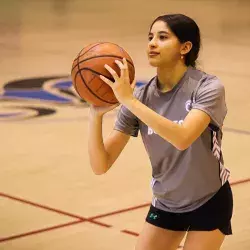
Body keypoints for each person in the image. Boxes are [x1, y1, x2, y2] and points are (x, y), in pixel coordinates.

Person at [88, 14, 233, 250]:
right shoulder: (140, 98)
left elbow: (183, 137)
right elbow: (100, 165)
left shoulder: (208, 87)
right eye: (150, 37)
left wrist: (129, 101)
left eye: (162, 37)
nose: (152, 43)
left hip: (209, 200)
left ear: (185, 47)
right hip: (166, 203)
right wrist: (95, 115)